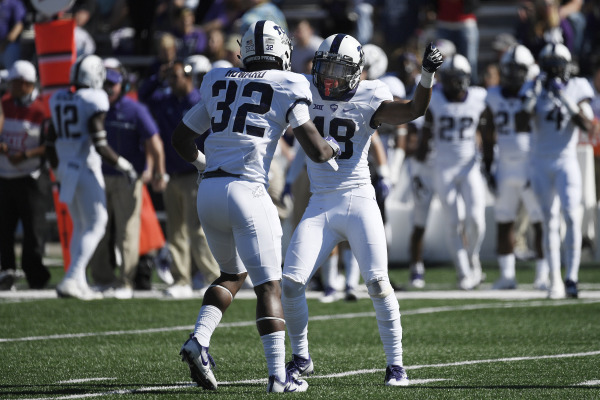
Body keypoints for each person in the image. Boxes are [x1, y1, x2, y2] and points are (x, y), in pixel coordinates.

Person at [171, 20, 339, 393]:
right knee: (269, 288)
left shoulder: (218, 79)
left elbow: (181, 138)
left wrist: (204, 166)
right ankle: (279, 376)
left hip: (209, 192)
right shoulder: (289, 83)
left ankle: (199, 340)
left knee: (231, 274)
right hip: (248, 192)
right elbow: (313, 147)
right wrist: (334, 148)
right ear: (282, 51)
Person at [281, 34, 443, 386]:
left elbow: (414, 109)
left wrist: (427, 75)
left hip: (358, 198)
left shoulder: (371, 93)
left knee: (377, 282)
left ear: (357, 72)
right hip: (320, 201)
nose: (330, 77)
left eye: (339, 70)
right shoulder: (302, 89)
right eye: (325, 67)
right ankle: (301, 357)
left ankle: (396, 365)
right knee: (291, 282)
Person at [46, 54, 138, 300]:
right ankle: (72, 277)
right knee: (97, 224)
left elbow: (49, 141)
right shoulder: (94, 99)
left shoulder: (58, 98)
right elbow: (100, 144)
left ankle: (78, 281)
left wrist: (56, 170)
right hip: (85, 168)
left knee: (81, 225)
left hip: (65, 167)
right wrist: (125, 165)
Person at [520, 42, 594, 299]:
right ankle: (554, 280)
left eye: (556, 67)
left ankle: (571, 276)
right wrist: (533, 95)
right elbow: (520, 123)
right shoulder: (533, 86)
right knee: (549, 221)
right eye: (548, 68)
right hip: (540, 161)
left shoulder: (576, 87)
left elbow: (589, 127)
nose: (553, 73)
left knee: (572, 217)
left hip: (566, 160)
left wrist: (564, 97)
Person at [88, 59, 167, 299]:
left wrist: (158, 171)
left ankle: (126, 282)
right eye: (105, 84)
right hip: (100, 176)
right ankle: (102, 279)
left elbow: (154, 141)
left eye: (112, 84)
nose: (108, 88)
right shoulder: (96, 107)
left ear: (121, 85)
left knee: (127, 232)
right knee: (98, 229)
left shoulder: (135, 109)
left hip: (126, 179)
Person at [147, 59, 220, 298]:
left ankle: (212, 277)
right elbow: (144, 96)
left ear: (189, 78)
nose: (172, 81)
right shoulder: (166, 101)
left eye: (176, 76)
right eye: (170, 77)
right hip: (173, 175)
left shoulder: (197, 103)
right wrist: (159, 76)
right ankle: (181, 279)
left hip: (193, 174)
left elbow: (209, 140)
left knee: (197, 229)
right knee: (175, 230)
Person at [480, 44, 549, 290]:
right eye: (509, 68)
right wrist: (488, 167)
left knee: (540, 221)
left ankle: (543, 274)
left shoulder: (536, 91)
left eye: (517, 68)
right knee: (504, 220)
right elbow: (487, 134)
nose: (512, 73)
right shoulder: (494, 94)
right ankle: (507, 275)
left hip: (531, 164)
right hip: (505, 166)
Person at [417, 53, 487, 290]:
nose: (454, 83)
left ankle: (473, 257)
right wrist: (418, 166)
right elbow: (425, 135)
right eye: (450, 78)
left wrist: (488, 159)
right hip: (443, 165)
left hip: (469, 165)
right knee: (453, 221)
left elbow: (489, 131)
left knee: (476, 219)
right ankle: (463, 272)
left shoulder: (479, 97)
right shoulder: (434, 99)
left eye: (458, 78)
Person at [0, 60, 51, 290]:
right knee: (4, 229)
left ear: (25, 84)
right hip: (5, 176)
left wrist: (26, 154)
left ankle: (35, 276)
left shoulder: (43, 108)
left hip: (31, 178)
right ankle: (6, 271)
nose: (8, 86)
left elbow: (52, 145)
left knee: (33, 231)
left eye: (12, 82)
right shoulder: (4, 103)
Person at [0, 0, 26, 69]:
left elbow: (19, 25)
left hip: (8, 46)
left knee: (11, 72)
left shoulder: (14, 3)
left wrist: (4, 44)